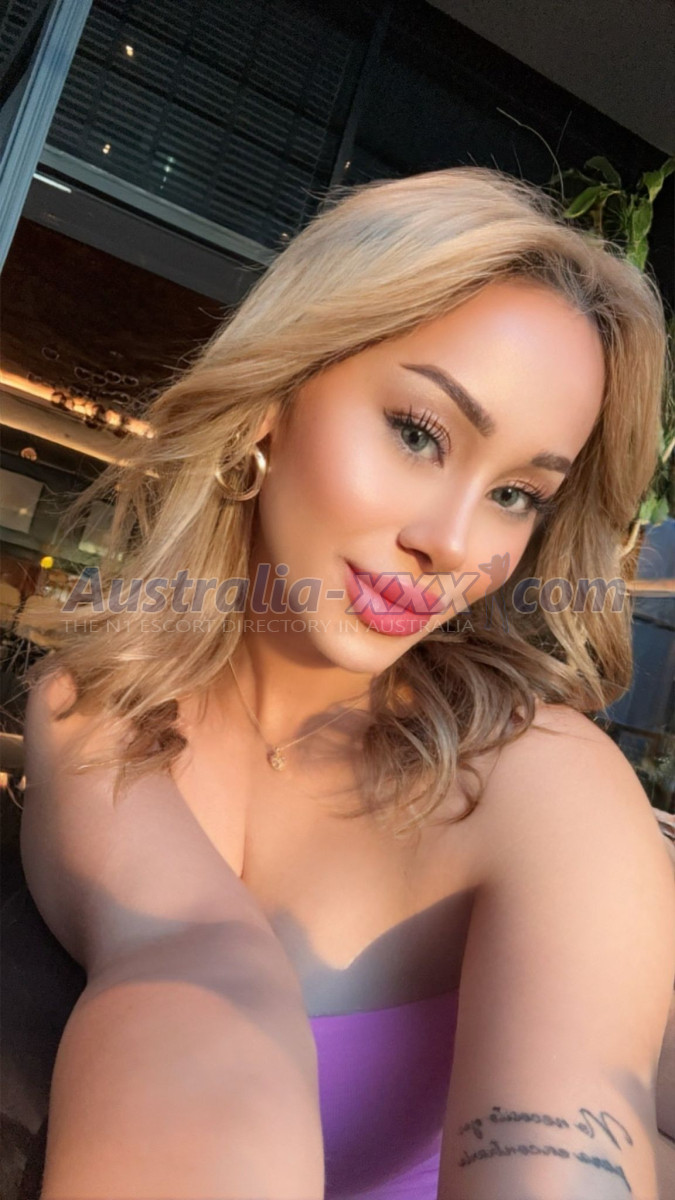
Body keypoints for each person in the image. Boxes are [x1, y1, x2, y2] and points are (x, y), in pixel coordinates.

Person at [20, 166, 675, 1200]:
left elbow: (566, 1146)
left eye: (516, 495)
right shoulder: (99, 702)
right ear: (274, 399)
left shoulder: (540, 785)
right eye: (418, 434)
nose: (452, 542)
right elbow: (195, 973)